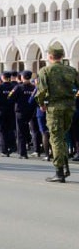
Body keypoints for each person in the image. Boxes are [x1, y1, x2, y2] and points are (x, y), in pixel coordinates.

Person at [36, 47, 79, 182]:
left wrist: (41, 104)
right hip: (69, 107)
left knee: (55, 139)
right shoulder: (71, 70)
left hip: (54, 108)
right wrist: (72, 97)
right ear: (62, 56)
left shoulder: (45, 70)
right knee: (62, 137)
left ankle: (59, 172)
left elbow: (42, 90)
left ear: (50, 56)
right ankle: (65, 167)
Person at [0, 70, 19, 156]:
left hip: (0, 110)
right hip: (11, 110)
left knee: (2, 130)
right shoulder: (15, 86)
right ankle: (12, 146)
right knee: (11, 129)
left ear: (2, 78)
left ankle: (4, 150)